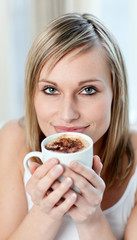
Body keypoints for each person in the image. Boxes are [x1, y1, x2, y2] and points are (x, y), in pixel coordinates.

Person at [0, 12, 137, 240]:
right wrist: (45, 213)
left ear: (116, 93)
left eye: (88, 90)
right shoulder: (12, 138)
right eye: (51, 90)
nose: (67, 114)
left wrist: (91, 219)